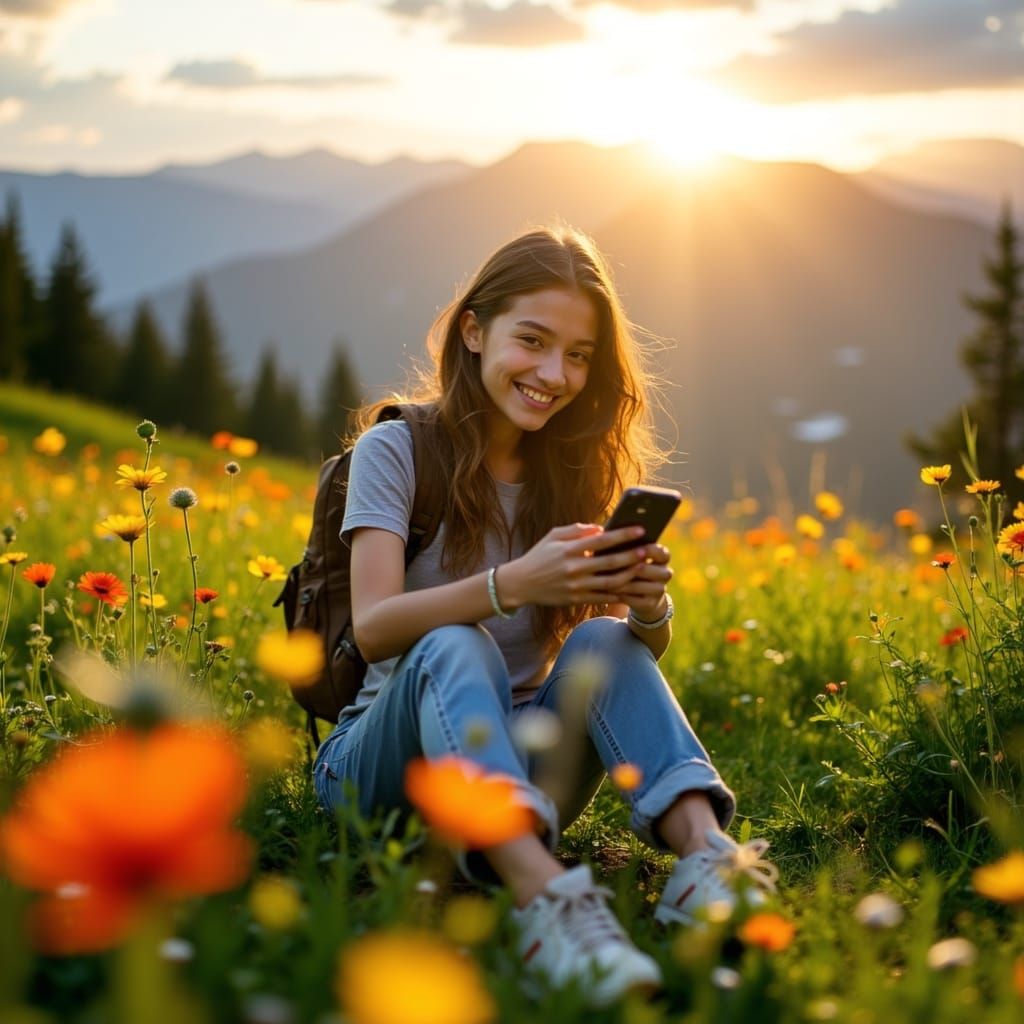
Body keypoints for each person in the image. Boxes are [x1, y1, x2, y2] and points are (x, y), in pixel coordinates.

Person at [313, 225, 777, 1007]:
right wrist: (513, 583)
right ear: (473, 330)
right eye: (532, 341)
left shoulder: (571, 468)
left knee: (601, 637)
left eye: (578, 355)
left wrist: (648, 605)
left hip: (523, 769)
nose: (553, 374)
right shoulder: (395, 450)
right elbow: (376, 626)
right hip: (384, 771)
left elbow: (624, 662)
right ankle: (544, 902)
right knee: (453, 642)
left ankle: (706, 858)